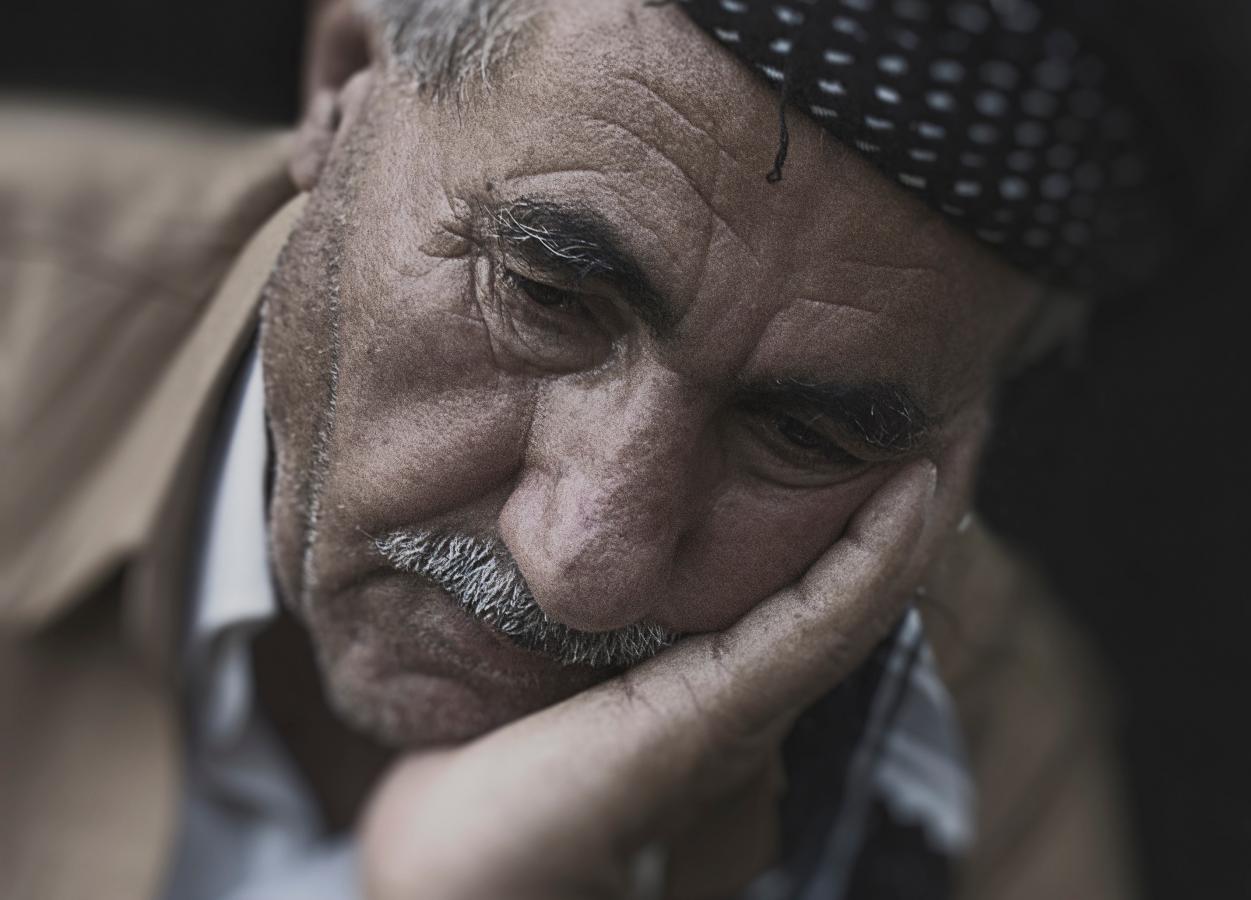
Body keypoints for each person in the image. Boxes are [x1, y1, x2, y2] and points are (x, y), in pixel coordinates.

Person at [1, 1, 1171, 896]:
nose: (582, 562)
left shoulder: (965, 757)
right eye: (546, 296)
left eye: (802, 434)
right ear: (347, 80)